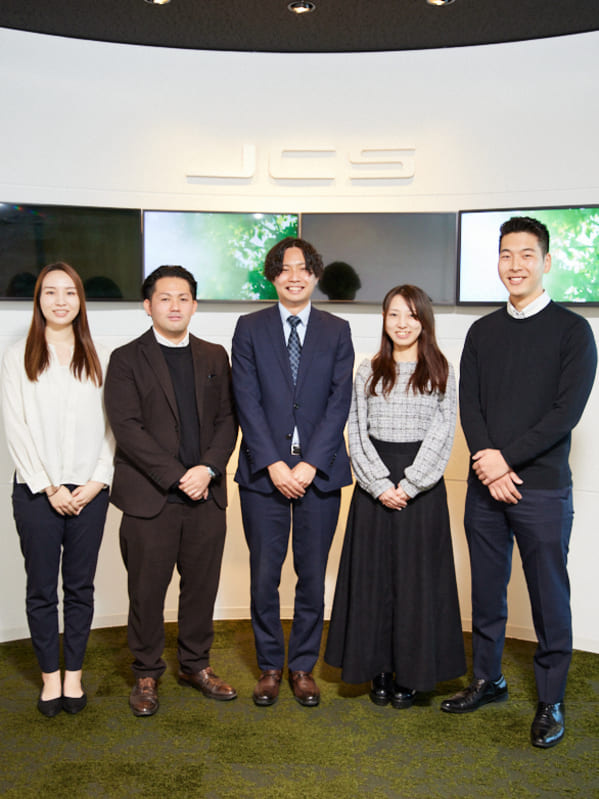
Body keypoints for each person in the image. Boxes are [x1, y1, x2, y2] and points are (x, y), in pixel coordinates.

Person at [441, 217, 597, 749]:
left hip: (543, 489)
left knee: (549, 596)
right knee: (486, 590)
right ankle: (488, 679)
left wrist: (505, 461)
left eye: (527, 255)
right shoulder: (482, 332)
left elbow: (564, 414)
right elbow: (470, 404)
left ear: (546, 262)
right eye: (507, 254)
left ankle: (551, 699)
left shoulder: (573, 332)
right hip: (485, 486)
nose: (516, 265)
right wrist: (489, 465)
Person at [104, 265, 237, 717]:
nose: (174, 306)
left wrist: (208, 469)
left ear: (194, 305)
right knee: (146, 591)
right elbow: (127, 428)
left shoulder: (215, 356)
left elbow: (228, 419)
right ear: (148, 306)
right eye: (165, 298)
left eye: (183, 298)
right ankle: (146, 672)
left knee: (201, 588)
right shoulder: (126, 358)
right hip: (150, 498)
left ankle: (196, 665)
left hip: (206, 496)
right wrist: (180, 475)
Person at [325, 285, 465, 706]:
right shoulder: (368, 370)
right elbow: (355, 429)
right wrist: (379, 484)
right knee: (373, 581)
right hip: (374, 489)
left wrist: (411, 483)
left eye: (411, 315)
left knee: (415, 583)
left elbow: (443, 432)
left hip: (422, 491)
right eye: (394, 315)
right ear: (384, 320)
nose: (402, 324)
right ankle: (378, 670)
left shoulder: (441, 370)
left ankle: (412, 672)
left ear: (424, 321)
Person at [232, 237, 354, 707]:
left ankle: (302, 666)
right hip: (263, 475)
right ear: (273, 276)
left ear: (316, 275)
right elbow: (246, 400)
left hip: (319, 475)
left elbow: (339, 402)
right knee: (264, 575)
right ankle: (269, 666)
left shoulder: (337, 330)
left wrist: (309, 464)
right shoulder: (249, 328)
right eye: (284, 268)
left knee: (312, 575)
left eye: (303, 268)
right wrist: (274, 463)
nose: (294, 276)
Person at [1, 262, 114, 717]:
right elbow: (16, 428)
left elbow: (113, 427)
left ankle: (74, 677)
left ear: (81, 300)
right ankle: (50, 677)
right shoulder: (17, 356)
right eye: (51, 292)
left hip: (90, 492)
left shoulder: (101, 355)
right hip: (36, 491)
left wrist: (96, 481)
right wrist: (49, 486)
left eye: (70, 292)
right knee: (42, 588)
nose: (61, 300)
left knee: (80, 588)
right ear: (39, 300)